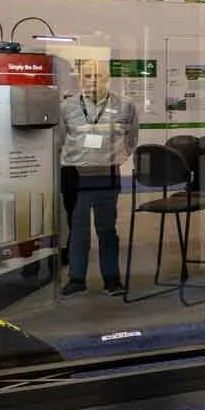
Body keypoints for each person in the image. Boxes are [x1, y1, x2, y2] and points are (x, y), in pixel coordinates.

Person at [58, 59, 138, 296]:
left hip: (106, 176)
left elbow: (132, 139)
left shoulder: (125, 105)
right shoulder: (67, 107)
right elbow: (60, 139)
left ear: (107, 78)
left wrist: (113, 157)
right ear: (80, 78)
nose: (93, 80)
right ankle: (76, 279)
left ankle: (112, 280)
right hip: (76, 176)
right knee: (78, 230)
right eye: (87, 76)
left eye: (98, 76)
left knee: (107, 230)